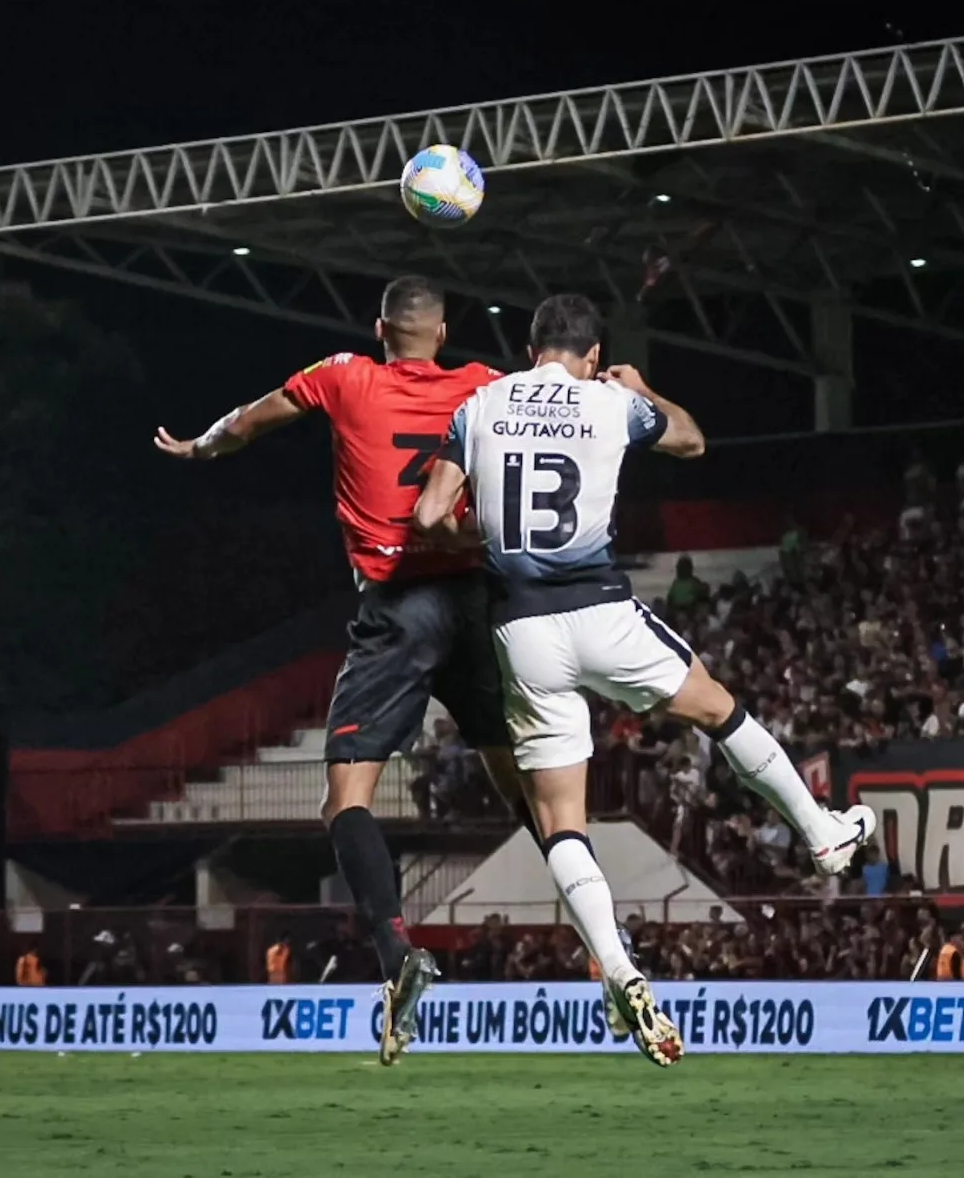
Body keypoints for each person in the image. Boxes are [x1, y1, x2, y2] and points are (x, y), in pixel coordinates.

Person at [413, 293, 876, 1066]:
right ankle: (822, 833)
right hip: (599, 609)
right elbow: (693, 442)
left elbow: (430, 517)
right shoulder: (611, 402)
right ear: (592, 355)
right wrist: (643, 389)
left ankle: (619, 966)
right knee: (721, 713)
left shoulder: (479, 401)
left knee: (561, 820)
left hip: (521, 628)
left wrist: (483, 523)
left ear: (532, 348)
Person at [153, 276, 599, 1064]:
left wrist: (200, 446)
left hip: (397, 607)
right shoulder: (481, 385)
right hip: (475, 599)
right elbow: (553, 412)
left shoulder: (343, 375)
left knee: (344, 796)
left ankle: (398, 953)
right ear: (444, 329)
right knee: (522, 781)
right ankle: (604, 938)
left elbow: (249, 421)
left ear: (379, 329)